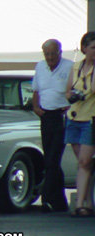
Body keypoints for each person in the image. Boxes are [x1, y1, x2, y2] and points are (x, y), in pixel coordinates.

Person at [31, 39, 73, 213]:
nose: (49, 57)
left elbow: (77, 91)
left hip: (61, 116)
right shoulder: (40, 67)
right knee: (50, 158)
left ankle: (46, 198)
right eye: (46, 54)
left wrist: (70, 107)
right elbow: (36, 90)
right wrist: (35, 107)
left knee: (52, 159)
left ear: (59, 53)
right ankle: (61, 202)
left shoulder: (70, 66)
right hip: (45, 116)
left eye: (52, 54)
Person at [65, 32, 95, 217]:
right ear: (84, 48)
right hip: (74, 117)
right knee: (84, 163)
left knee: (84, 162)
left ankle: (80, 204)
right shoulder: (76, 66)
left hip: (91, 118)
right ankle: (88, 200)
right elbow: (67, 91)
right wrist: (72, 95)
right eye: (92, 48)